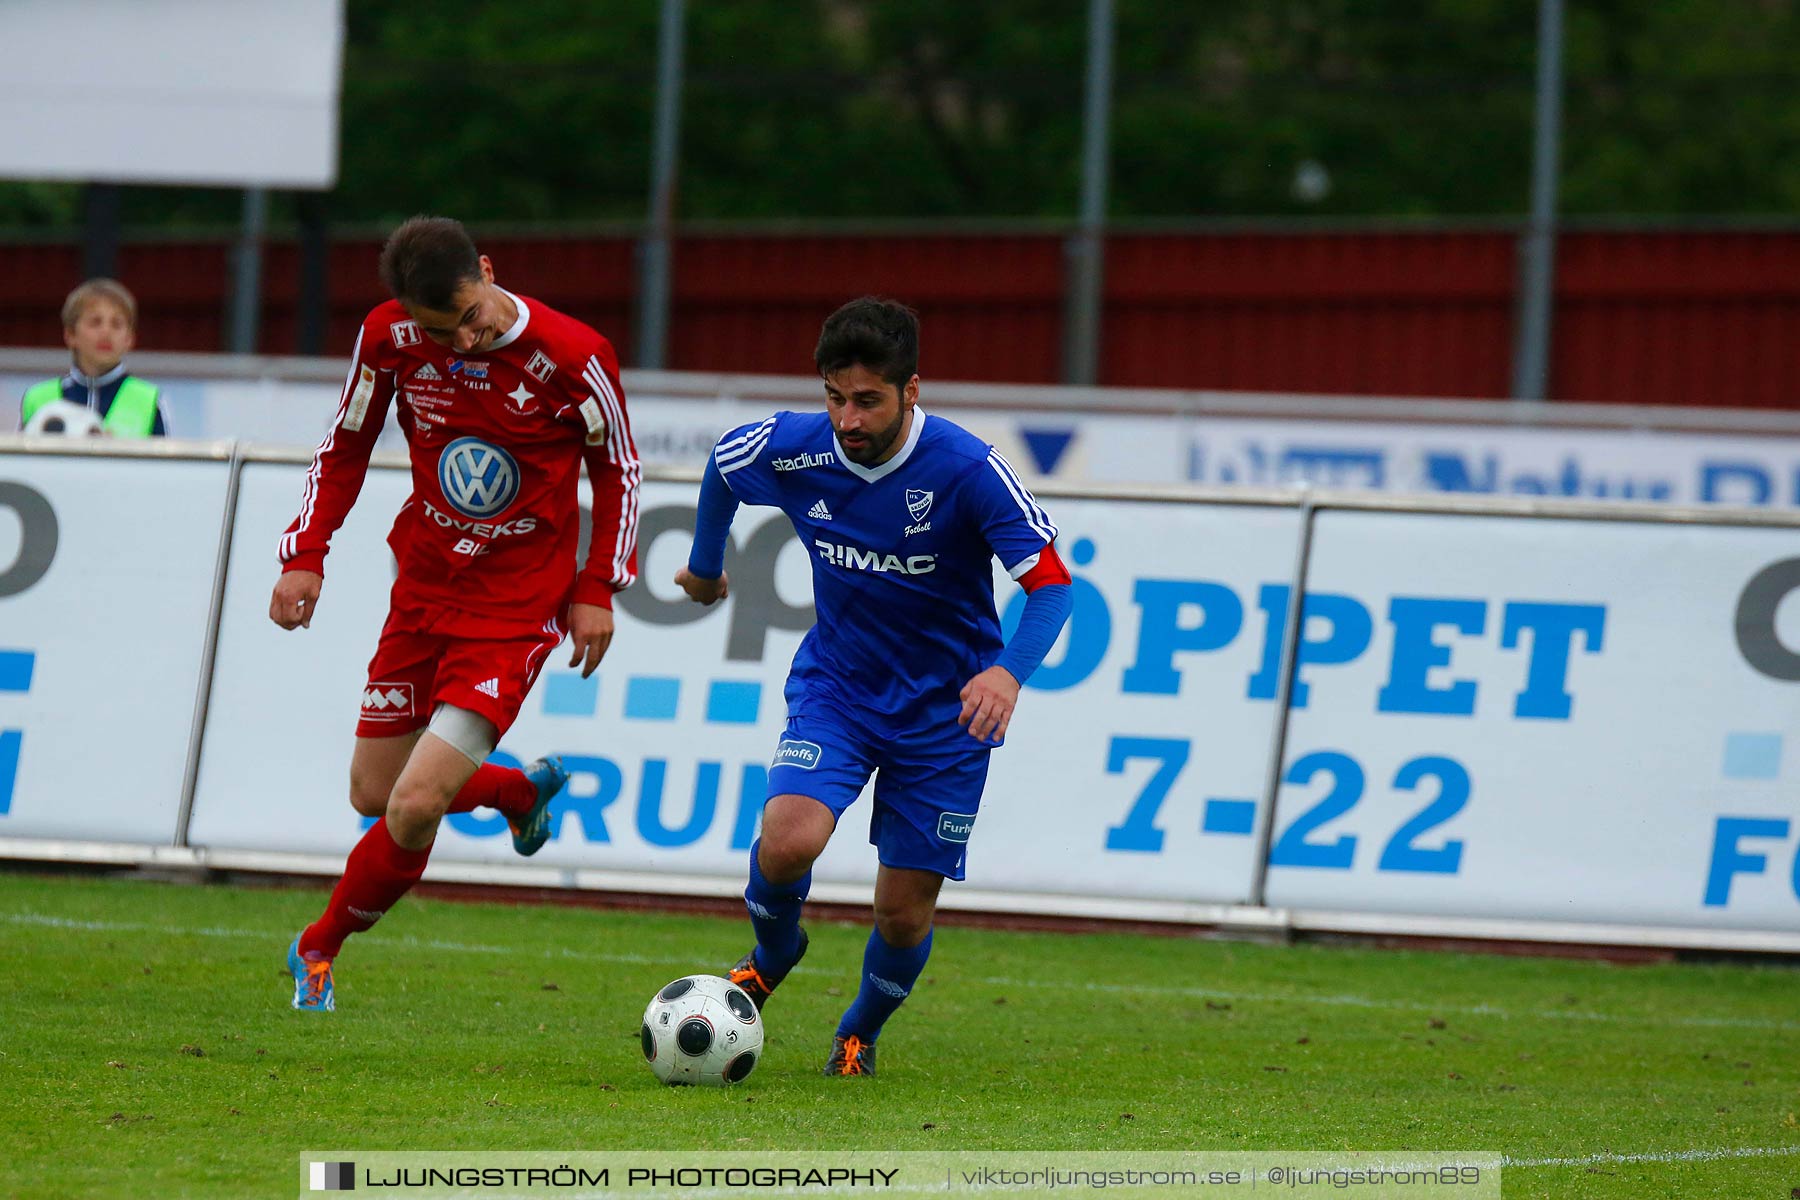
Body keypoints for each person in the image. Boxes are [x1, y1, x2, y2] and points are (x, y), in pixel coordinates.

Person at [674, 297, 1073, 1077]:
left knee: (901, 910)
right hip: (841, 687)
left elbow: (1053, 587)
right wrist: (705, 561)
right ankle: (774, 951)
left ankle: (859, 1030)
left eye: (866, 401)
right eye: (833, 397)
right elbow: (725, 464)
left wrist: (1007, 671)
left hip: (946, 717)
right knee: (787, 842)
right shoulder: (797, 448)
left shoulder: (968, 471)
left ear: (911, 391)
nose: (847, 419)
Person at [272, 215, 641, 1011]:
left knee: (413, 803)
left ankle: (318, 946)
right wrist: (305, 552)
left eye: (471, 318)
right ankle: (515, 794)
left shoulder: (575, 357)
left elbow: (618, 472)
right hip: (425, 586)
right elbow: (344, 445)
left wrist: (597, 586)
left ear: (487, 267)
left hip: (517, 607)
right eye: (445, 331)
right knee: (373, 795)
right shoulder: (392, 337)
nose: (464, 342)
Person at [18, 278, 168, 436]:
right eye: (95, 322)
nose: (106, 332)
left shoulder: (150, 400)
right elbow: (18, 459)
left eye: (116, 324)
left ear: (129, 339)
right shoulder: (37, 398)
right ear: (70, 335)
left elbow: (164, 461)